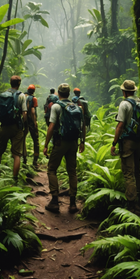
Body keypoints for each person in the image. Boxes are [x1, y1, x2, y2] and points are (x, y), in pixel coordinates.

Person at [43, 83, 85, 213]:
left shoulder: (56, 106)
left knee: (51, 169)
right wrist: (82, 141)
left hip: (60, 142)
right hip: (73, 142)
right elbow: (82, 126)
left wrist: (46, 144)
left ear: (59, 93)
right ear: (69, 93)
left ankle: (55, 201)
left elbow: (51, 126)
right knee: (72, 171)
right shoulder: (77, 107)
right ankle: (72, 203)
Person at [111, 79, 140, 212]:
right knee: (137, 170)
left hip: (128, 142)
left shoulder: (124, 104)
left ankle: (132, 203)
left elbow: (120, 125)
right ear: (134, 91)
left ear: (124, 92)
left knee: (128, 173)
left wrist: (114, 143)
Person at [0, 75, 27, 180]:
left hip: (4, 126)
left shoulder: (3, 95)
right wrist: (24, 126)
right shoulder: (21, 95)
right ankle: (15, 179)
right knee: (16, 154)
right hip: (16, 126)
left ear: (10, 82)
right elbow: (24, 112)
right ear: (19, 84)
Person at [23, 84, 40, 168]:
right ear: (33, 91)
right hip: (31, 122)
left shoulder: (23, 96)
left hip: (23, 121)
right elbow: (33, 111)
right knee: (36, 141)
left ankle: (24, 159)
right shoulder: (33, 98)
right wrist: (35, 122)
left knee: (23, 139)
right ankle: (35, 161)